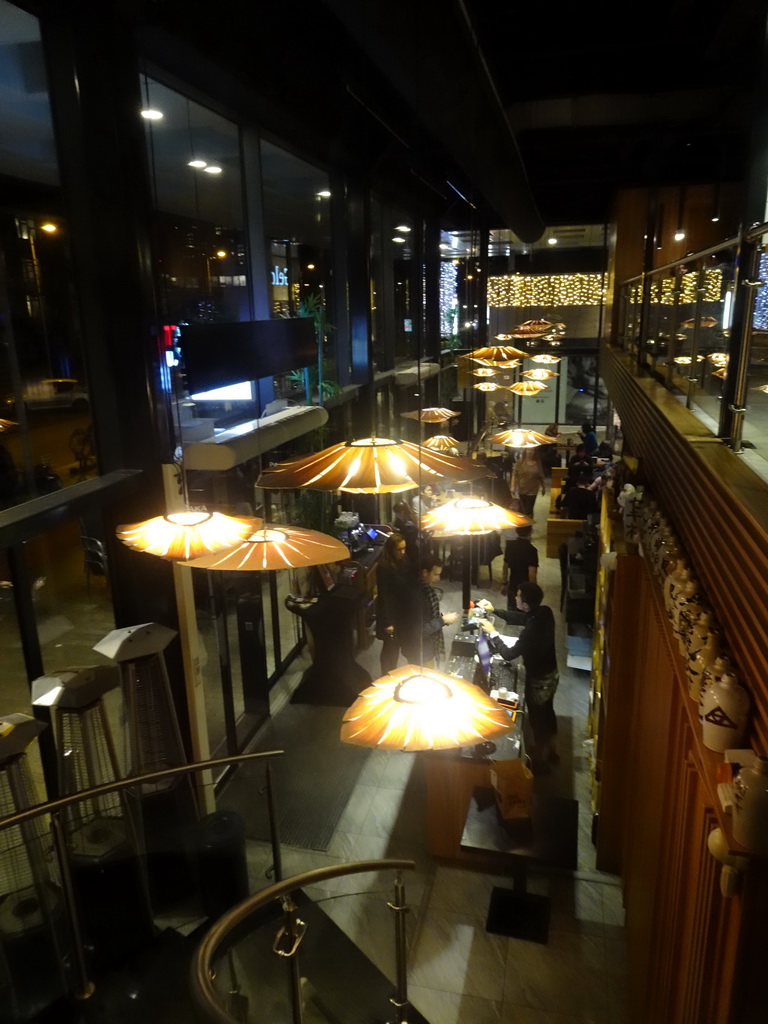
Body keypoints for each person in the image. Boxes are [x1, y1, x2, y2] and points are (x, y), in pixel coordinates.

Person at [478, 581, 559, 773]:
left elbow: (508, 654)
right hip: (552, 674)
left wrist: (493, 633)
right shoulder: (544, 612)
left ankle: (540, 762)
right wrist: (495, 610)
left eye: (518, 596)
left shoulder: (531, 632)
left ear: (525, 604)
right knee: (548, 712)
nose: (515, 597)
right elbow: (522, 618)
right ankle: (553, 750)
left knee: (537, 719)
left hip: (539, 681)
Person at [403, 559, 459, 667]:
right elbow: (419, 631)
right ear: (425, 572)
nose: (438, 579)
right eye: (435, 575)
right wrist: (443, 620)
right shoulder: (417, 597)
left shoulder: (422, 589)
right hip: (419, 652)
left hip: (420, 648)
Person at [375, 532, 416, 674]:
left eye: (404, 548)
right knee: (390, 650)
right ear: (391, 550)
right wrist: (387, 622)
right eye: (399, 549)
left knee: (395, 647)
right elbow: (383, 596)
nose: (403, 552)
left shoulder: (403, 561)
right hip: (390, 615)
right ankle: (386, 675)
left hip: (400, 612)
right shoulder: (384, 567)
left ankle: (391, 673)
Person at [500, 525, 538, 608]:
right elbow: (532, 575)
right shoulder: (532, 550)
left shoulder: (510, 547)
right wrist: (533, 591)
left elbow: (505, 567)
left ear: (516, 531)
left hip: (512, 585)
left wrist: (504, 583)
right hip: (525, 588)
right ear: (530, 532)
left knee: (511, 612)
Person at [511, 448, 546, 519]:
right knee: (522, 509)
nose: (530, 452)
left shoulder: (537, 463)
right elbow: (514, 475)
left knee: (529, 509)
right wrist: (513, 486)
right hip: (522, 489)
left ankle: (528, 525)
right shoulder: (520, 462)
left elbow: (541, 476)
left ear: (534, 452)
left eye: (532, 450)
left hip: (533, 490)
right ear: (525, 451)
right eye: (528, 450)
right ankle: (523, 525)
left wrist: (543, 487)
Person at [392, 500, 420, 567]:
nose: (396, 515)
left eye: (397, 513)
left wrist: (394, 535)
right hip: (409, 550)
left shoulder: (409, 526)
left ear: (402, 512)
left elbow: (406, 541)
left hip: (409, 553)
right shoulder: (406, 521)